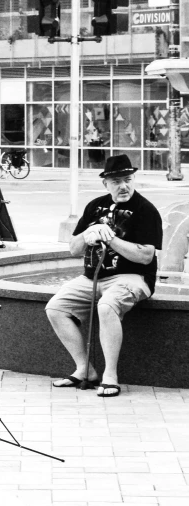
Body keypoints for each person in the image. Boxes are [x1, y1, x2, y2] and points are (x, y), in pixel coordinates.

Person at [45, 154, 162, 398]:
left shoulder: (145, 210)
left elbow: (146, 257)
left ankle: (110, 376)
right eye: (117, 181)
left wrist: (110, 237)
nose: (124, 186)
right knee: (56, 307)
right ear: (106, 184)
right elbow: (74, 249)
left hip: (132, 277)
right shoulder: (94, 206)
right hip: (91, 278)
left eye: (128, 179)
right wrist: (88, 231)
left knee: (107, 306)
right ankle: (84, 369)